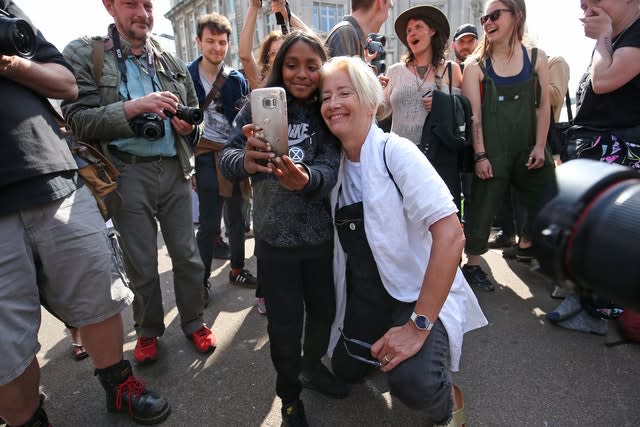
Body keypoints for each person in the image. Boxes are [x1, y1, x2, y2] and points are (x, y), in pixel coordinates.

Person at [0, 1, 169, 425]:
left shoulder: (5, 10)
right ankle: (26, 418)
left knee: (99, 289)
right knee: (5, 340)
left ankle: (118, 383)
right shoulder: (92, 47)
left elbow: (65, 84)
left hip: (52, 176)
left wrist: (8, 63)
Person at [320, 55, 487, 426]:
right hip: (366, 299)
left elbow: (451, 234)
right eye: (325, 96)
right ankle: (387, 347)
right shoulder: (334, 167)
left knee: (414, 385)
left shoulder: (396, 153)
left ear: (369, 101)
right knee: (344, 370)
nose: (332, 104)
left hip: (414, 296)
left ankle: (446, 399)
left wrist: (416, 327)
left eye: (343, 92)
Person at [62, 0, 215, 365]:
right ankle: (148, 331)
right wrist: (133, 108)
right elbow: (76, 118)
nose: (144, 14)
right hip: (125, 173)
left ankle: (194, 320)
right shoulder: (87, 52)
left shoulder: (170, 58)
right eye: (132, 3)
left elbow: (198, 117)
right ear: (110, 6)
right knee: (142, 264)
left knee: (189, 258)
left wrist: (191, 128)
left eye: (148, 4)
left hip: (175, 170)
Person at [220, 31, 346, 426]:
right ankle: (289, 395)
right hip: (274, 241)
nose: (302, 74)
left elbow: (332, 166)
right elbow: (226, 155)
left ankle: (311, 367)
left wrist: (305, 179)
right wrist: (247, 161)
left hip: (319, 240)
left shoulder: (327, 109)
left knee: (324, 312)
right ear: (279, 67)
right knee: (285, 324)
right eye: (292, 65)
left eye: (312, 66)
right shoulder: (258, 106)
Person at [460, 0, 556, 291]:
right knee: (482, 206)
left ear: (517, 16)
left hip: (529, 147)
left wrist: (540, 146)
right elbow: (474, 117)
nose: (487, 22)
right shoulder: (474, 66)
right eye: (484, 18)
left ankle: (542, 253)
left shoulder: (537, 57)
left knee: (550, 195)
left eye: (495, 15)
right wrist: (480, 156)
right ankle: (473, 265)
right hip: (493, 152)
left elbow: (543, 107)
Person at [188, 12, 255, 308]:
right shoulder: (185, 76)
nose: (216, 48)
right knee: (209, 223)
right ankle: (201, 281)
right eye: (210, 41)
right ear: (198, 41)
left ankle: (237, 269)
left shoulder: (237, 80)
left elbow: (243, 118)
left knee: (239, 220)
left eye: (222, 42)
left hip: (233, 154)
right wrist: (187, 165)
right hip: (203, 154)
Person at [377, 6, 464, 210]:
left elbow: (464, 112)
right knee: (402, 215)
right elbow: (381, 113)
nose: (412, 33)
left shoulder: (451, 70)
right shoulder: (395, 71)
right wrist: (376, 92)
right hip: (400, 157)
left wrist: (442, 104)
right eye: (408, 30)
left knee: (437, 216)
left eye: (418, 27)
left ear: (432, 31)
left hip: (438, 156)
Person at [239, 0, 310, 90]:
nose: (278, 57)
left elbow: (314, 45)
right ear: (267, 60)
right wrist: (254, 6)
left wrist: (284, 10)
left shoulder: (303, 80)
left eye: (282, 52)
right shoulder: (262, 85)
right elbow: (245, 56)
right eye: (273, 53)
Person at [451, 23, 479, 227]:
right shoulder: (447, 69)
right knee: (450, 194)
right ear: (454, 45)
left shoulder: (483, 69)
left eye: (471, 41)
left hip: (473, 143)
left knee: (471, 195)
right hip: (451, 141)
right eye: (462, 42)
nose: (466, 46)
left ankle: (471, 241)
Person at [325, 0, 394, 59]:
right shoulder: (347, 34)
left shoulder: (349, 33)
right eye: (389, 8)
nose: (388, 15)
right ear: (380, 3)